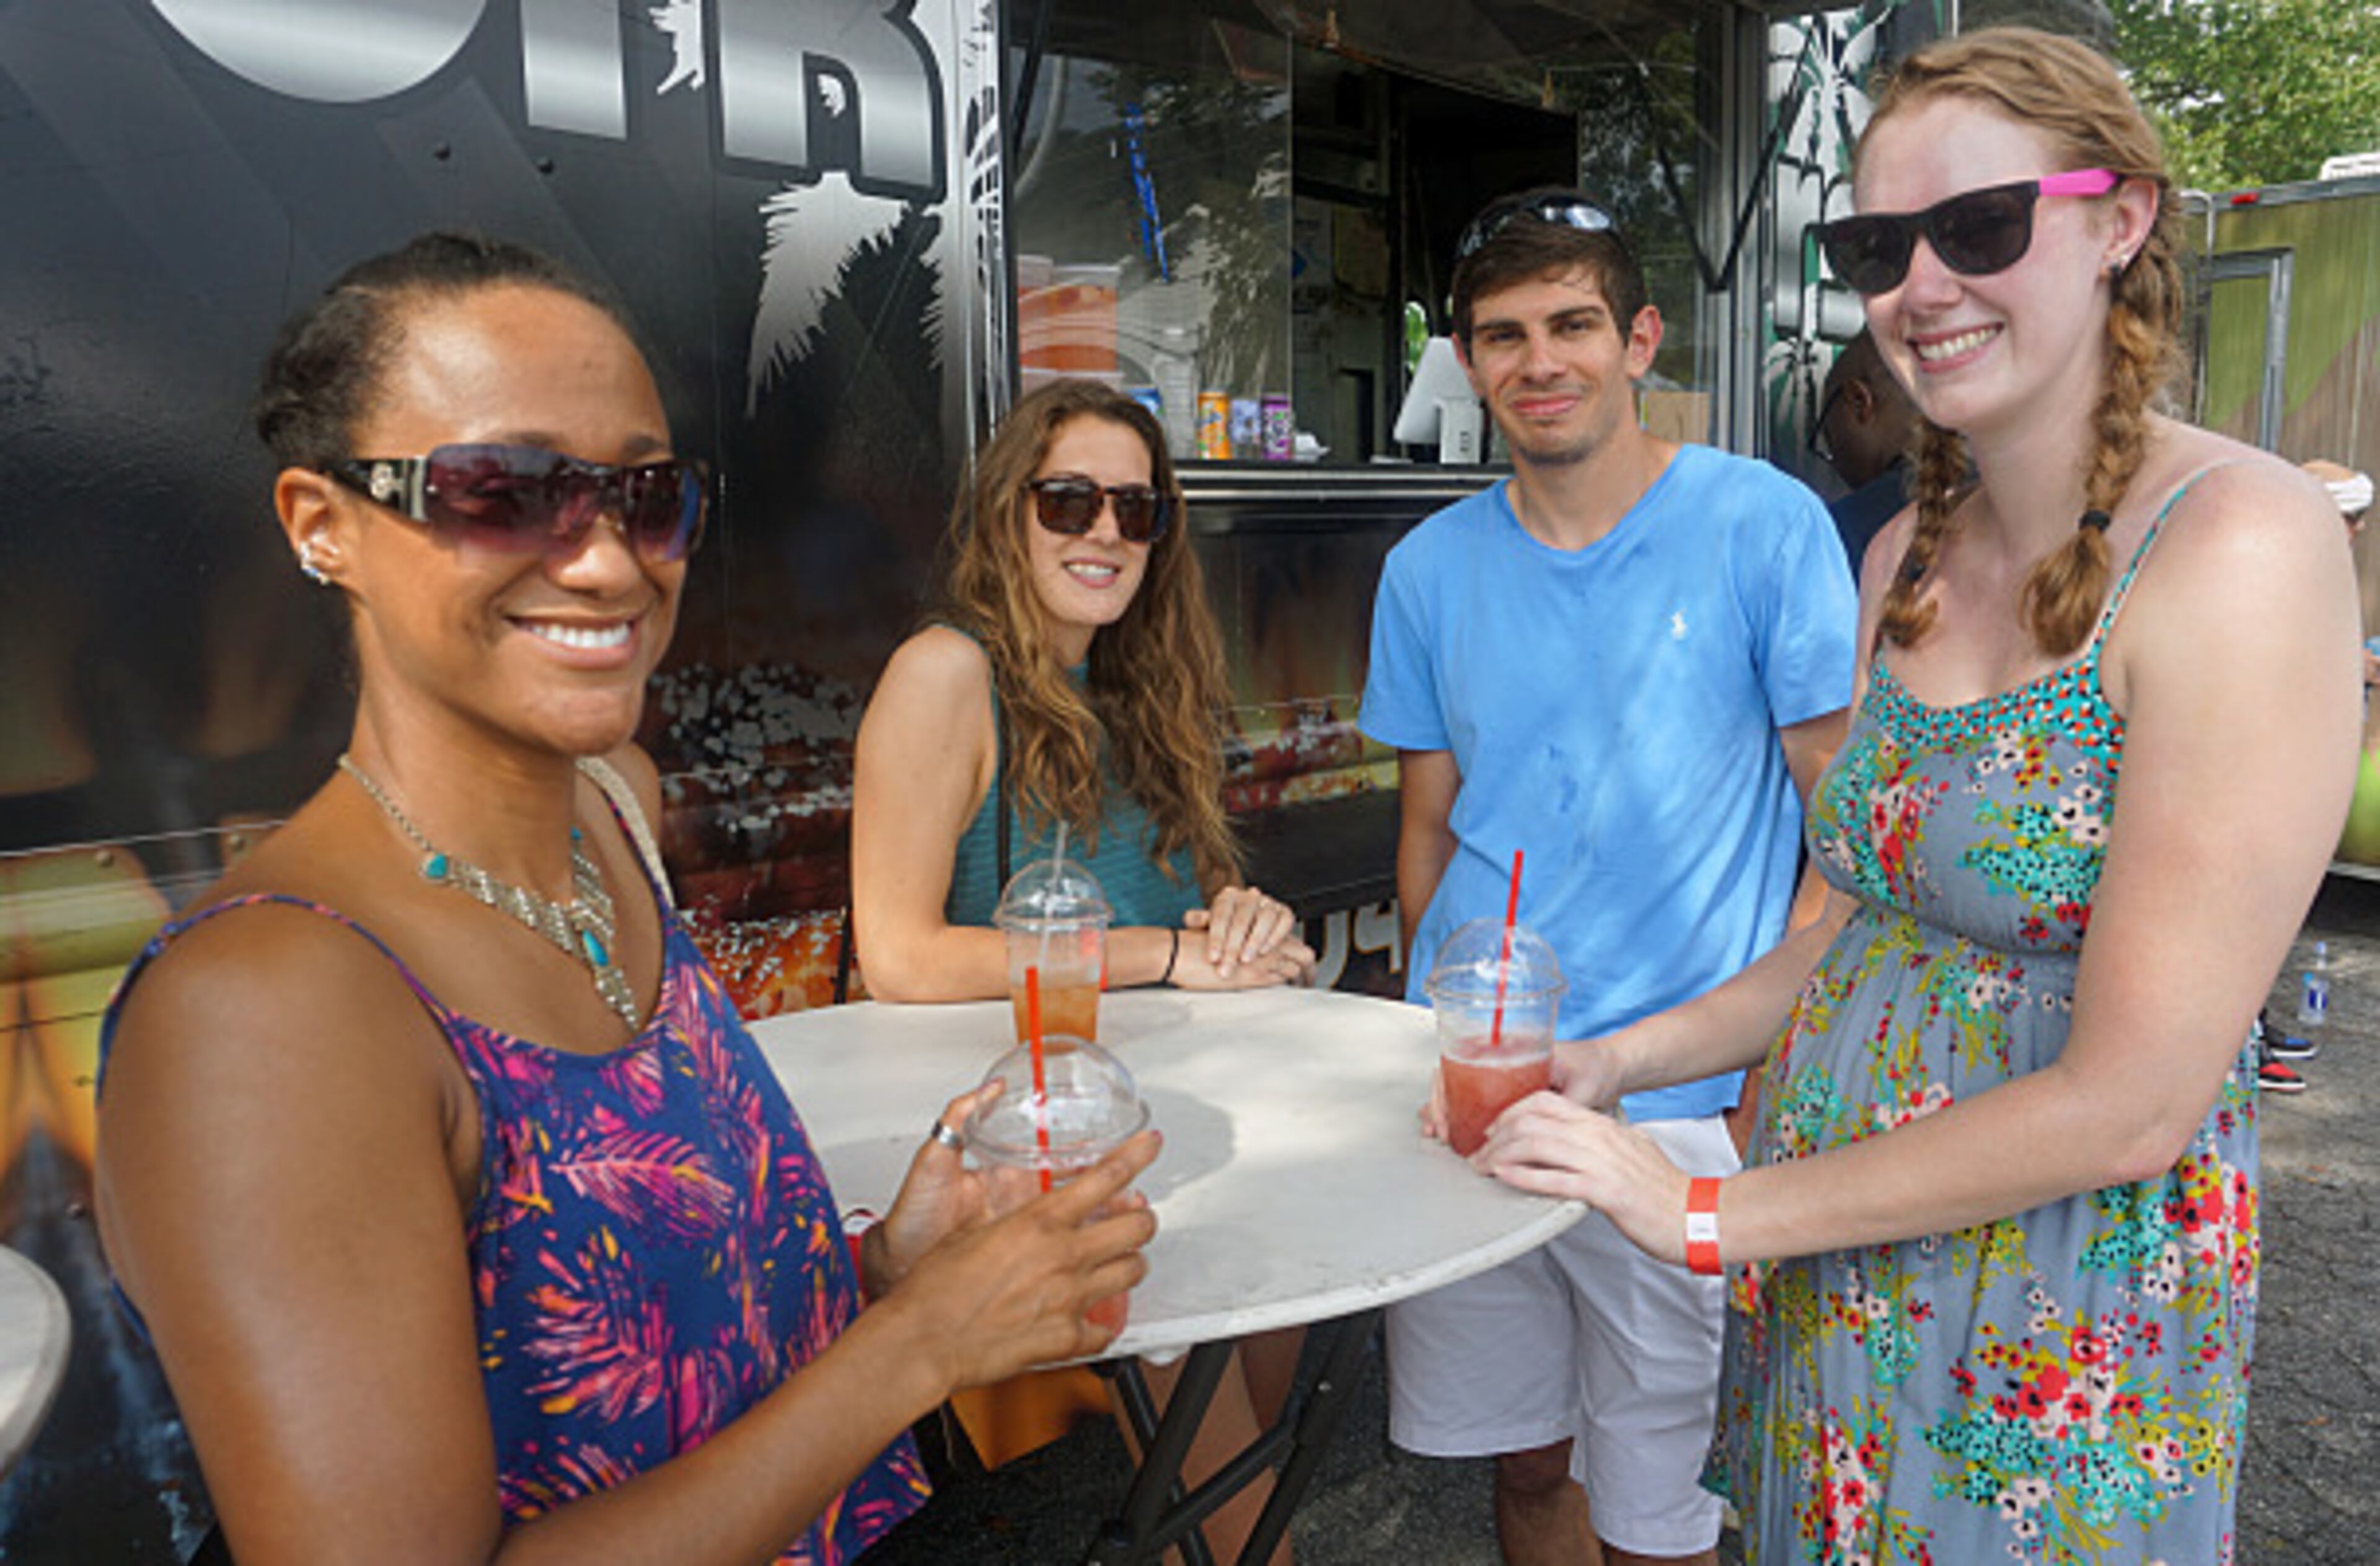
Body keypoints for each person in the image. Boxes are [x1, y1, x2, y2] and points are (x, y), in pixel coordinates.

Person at [92, 232, 1158, 1566]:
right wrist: (919, 1344)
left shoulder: (612, 822)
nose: (606, 563)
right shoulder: (268, 1009)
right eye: (500, 491)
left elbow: (673, 1366)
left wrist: (885, 1273)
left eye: (644, 497)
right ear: (325, 527)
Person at [1470, 29, 2361, 1564]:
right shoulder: (1898, 561)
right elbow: (1864, 935)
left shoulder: (2241, 547)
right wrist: (1608, 1061)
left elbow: (2130, 1098)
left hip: (2045, 1310)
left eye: (1979, 226)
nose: (1920, 287)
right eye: (1877, 246)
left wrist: (1699, 1217)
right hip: (1835, 1254)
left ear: (2118, 219)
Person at [1359, 188, 1857, 1566]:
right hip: (1483, 1091)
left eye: (1573, 323)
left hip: (1681, 1106)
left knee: (1661, 1512)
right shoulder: (1426, 567)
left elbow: (1849, 842)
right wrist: (1434, 1034)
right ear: (1466, 363)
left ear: (1639, 339)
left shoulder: (1767, 528)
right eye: (1503, 335)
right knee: (1523, 1465)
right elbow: (1427, 831)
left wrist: (1779, 1057)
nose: (1541, 362)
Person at [850, 374, 1314, 1564]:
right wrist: (1172, 956)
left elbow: (1185, 904)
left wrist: (1244, 926)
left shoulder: (1137, 681)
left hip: (1174, 1114)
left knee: (1274, 1399)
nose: (1105, 532)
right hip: (1044, 1137)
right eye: (1069, 502)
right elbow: (896, 956)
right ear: (1010, 512)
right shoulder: (946, 673)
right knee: (1231, 1489)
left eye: (1135, 510)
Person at [1812, 327, 1920, 573]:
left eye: (1829, 436)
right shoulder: (2002, 500)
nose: (1835, 462)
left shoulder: (1838, 538)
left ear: (1859, 403)